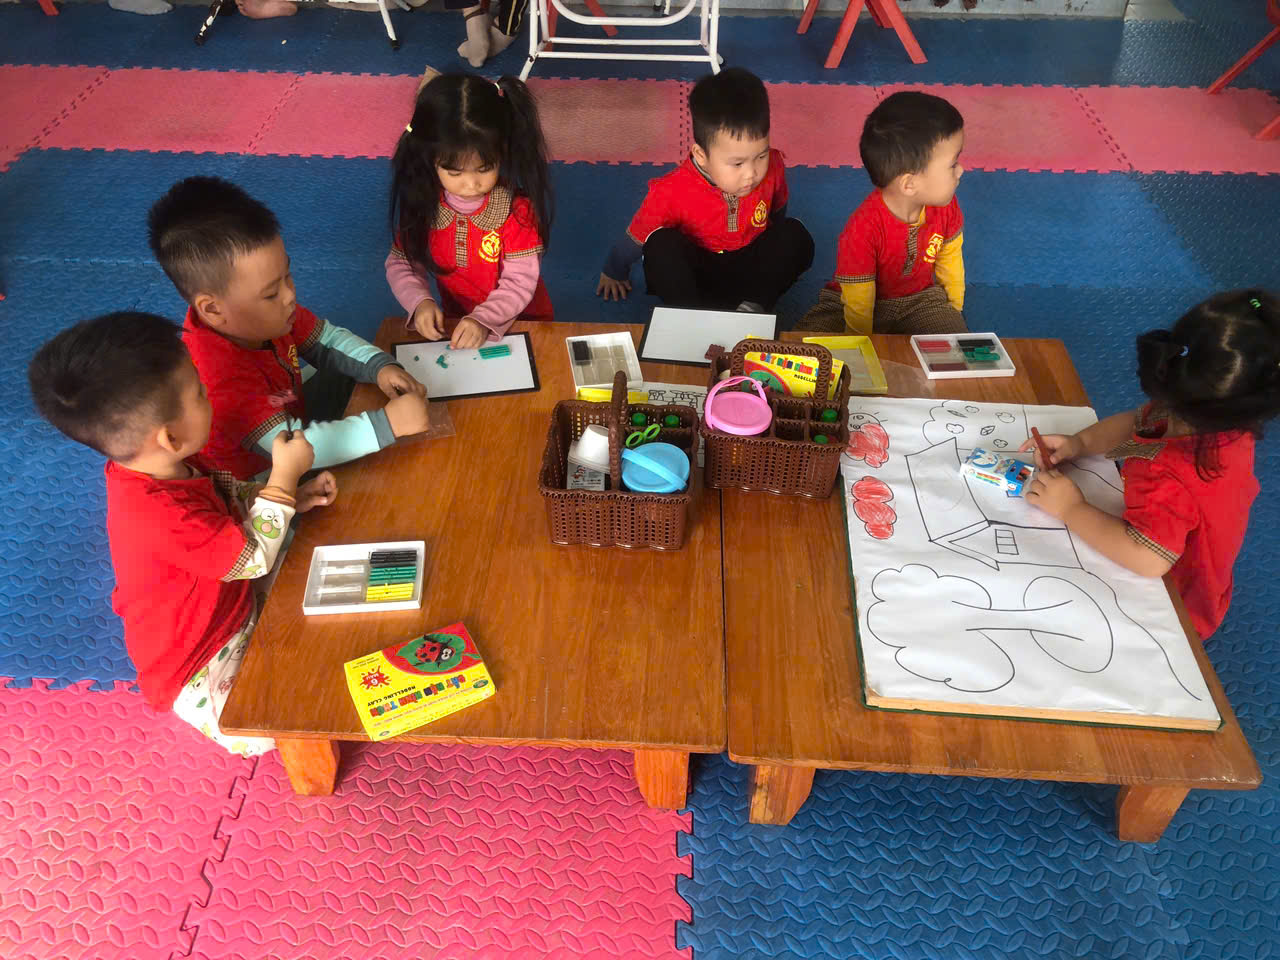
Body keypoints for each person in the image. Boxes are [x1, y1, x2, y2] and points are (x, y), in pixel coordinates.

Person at [27, 312, 338, 754]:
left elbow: (228, 494)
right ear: (170, 437)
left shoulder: (165, 463)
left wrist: (289, 494)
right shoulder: (157, 513)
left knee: (327, 566)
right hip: (201, 659)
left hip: (233, 598)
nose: (208, 392)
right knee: (274, 721)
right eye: (199, 392)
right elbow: (251, 558)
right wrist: (283, 479)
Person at [1022, 290, 1280, 641]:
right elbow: (1137, 421)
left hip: (1177, 607)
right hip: (1195, 567)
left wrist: (1070, 508)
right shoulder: (1228, 422)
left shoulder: (1167, 472)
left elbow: (1147, 558)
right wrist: (1079, 443)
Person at [149, 176, 430, 481]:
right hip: (261, 478)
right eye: (271, 293)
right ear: (213, 309)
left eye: (288, 275)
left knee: (351, 371)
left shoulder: (270, 315)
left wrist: (380, 367)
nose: (289, 296)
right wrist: (387, 425)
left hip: (290, 407)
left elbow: (328, 340)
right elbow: (292, 448)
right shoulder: (217, 378)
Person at [597, 67, 813, 315]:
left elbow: (777, 212)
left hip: (751, 276)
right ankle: (695, 316)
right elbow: (635, 239)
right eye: (737, 163)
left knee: (795, 235)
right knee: (660, 245)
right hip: (695, 281)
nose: (751, 174)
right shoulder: (670, 191)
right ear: (701, 155)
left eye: (760, 156)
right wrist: (614, 271)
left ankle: (751, 308)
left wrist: (775, 256)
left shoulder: (774, 164)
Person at [387, 72, 554, 350]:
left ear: (502, 153)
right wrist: (420, 301)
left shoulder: (516, 212)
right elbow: (402, 263)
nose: (471, 184)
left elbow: (519, 281)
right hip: (459, 322)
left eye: (484, 169)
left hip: (525, 322)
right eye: (454, 173)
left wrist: (483, 319)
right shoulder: (424, 204)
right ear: (430, 161)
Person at [801, 91, 967, 335]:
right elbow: (858, 300)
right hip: (848, 303)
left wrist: (953, 311)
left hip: (920, 302)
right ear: (909, 184)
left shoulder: (946, 207)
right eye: (953, 165)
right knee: (809, 341)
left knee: (953, 346)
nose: (961, 170)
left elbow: (950, 261)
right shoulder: (862, 229)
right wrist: (859, 343)